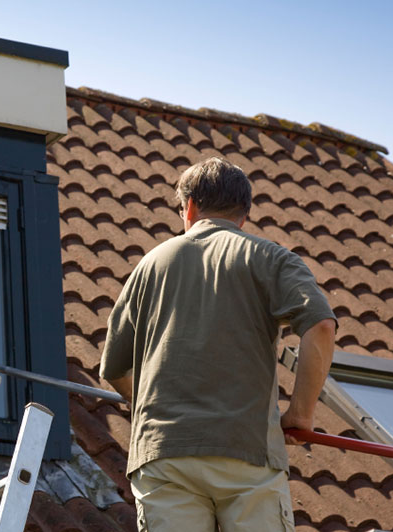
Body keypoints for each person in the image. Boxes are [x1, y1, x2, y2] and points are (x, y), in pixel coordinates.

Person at [100, 157, 336, 532]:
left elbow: (114, 367)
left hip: (165, 455)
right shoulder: (271, 258)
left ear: (189, 206)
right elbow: (320, 326)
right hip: (245, 451)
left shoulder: (149, 265)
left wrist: (155, 414)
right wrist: (299, 414)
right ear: (244, 213)